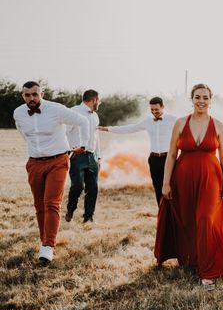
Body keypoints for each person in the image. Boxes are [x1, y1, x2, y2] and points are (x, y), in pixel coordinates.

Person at [154, 84, 223, 287]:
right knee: (187, 219)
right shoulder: (180, 123)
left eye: (205, 98)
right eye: (198, 97)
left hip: (212, 179)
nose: (201, 101)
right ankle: (191, 260)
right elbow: (172, 155)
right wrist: (166, 183)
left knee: (206, 219)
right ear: (192, 99)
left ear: (210, 100)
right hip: (183, 179)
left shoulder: (218, 125)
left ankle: (208, 270)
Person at [13, 81, 90, 263]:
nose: (31, 98)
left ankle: (48, 246)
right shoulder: (18, 113)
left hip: (58, 161)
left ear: (42, 94)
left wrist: (84, 144)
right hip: (34, 163)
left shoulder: (56, 109)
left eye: (35, 94)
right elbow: (22, 133)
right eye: (27, 95)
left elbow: (83, 120)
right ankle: (44, 241)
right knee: (39, 205)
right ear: (23, 96)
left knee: (51, 203)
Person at [98, 97, 178, 205]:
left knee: (171, 187)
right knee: (158, 188)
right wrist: (108, 129)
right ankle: (162, 216)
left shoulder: (173, 119)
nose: (154, 112)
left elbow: (187, 127)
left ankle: (174, 216)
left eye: (156, 109)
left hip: (168, 158)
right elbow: (130, 128)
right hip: (154, 159)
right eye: (152, 110)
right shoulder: (148, 121)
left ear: (163, 107)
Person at [65, 89, 101, 223]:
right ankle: (70, 208)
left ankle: (88, 217)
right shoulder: (73, 112)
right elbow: (64, 132)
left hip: (92, 156)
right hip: (77, 155)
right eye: (99, 100)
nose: (99, 103)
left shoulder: (95, 116)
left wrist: (99, 157)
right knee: (78, 185)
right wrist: (69, 149)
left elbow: (97, 137)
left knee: (93, 187)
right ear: (94, 100)